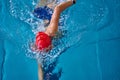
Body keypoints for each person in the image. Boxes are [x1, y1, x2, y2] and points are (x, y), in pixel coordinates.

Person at [33, 0, 76, 80]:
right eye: (46, 51)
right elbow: (40, 68)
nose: (47, 52)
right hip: (40, 15)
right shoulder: (39, 49)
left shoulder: (52, 30)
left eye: (47, 50)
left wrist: (72, 1)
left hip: (47, 13)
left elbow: (58, 8)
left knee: (51, 4)